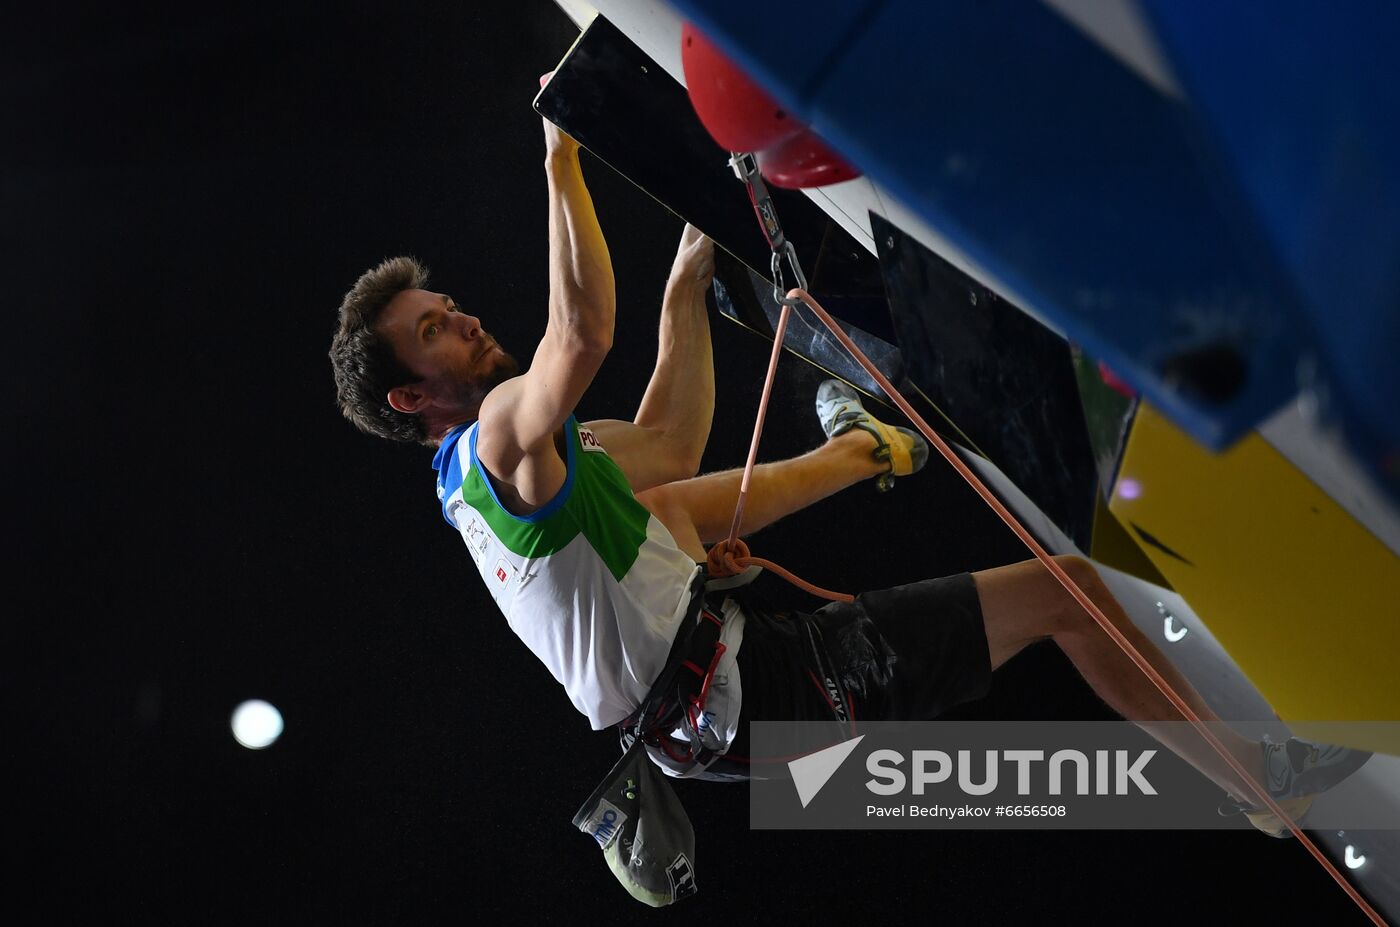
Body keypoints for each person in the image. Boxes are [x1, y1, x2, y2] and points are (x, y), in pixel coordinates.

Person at [329, 110, 1368, 838]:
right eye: (435, 331)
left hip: (727, 697)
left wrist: (688, 278)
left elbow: (671, 440)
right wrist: (563, 153)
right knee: (1070, 598)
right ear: (411, 399)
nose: (464, 319)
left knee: (682, 505)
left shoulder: (513, 474)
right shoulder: (495, 445)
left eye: (448, 307)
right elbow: (581, 333)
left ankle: (860, 447)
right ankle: (1259, 786)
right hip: (747, 700)